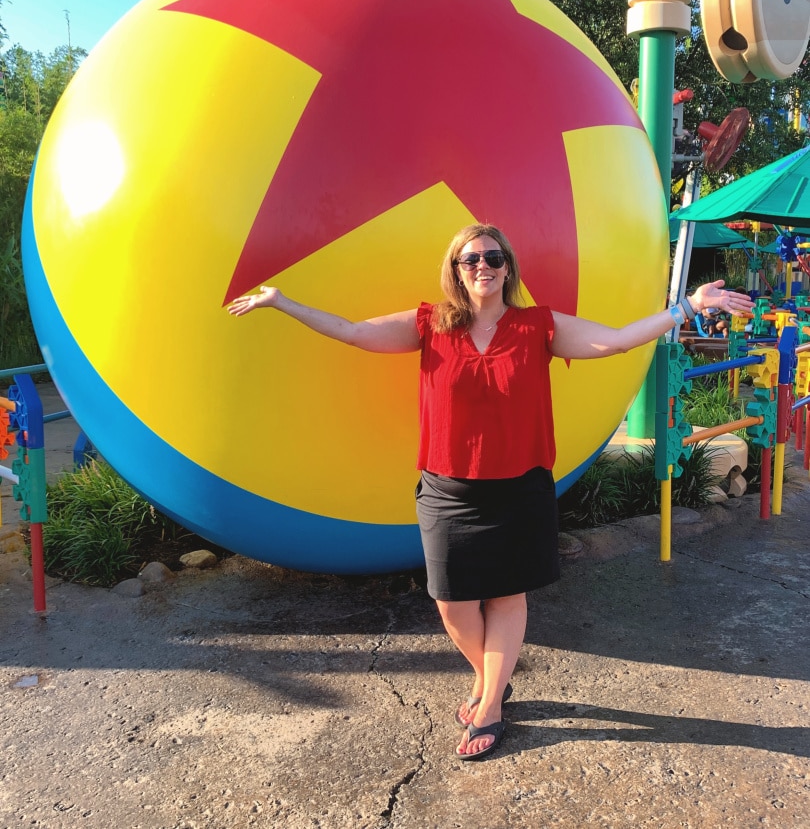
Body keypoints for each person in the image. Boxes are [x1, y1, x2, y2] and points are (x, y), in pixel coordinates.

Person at [227, 223, 753, 761]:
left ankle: (490, 704)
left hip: (519, 489)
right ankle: (491, 676)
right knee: (451, 601)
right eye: (470, 258)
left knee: (507, 595)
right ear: (455, 269)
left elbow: (615, 339)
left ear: (508, 268)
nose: (483, 266)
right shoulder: (430, 324)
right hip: (447, 489)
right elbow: (353, 331)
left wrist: (689, 305)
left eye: (493, 258)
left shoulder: (537, 326)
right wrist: (283, 302)